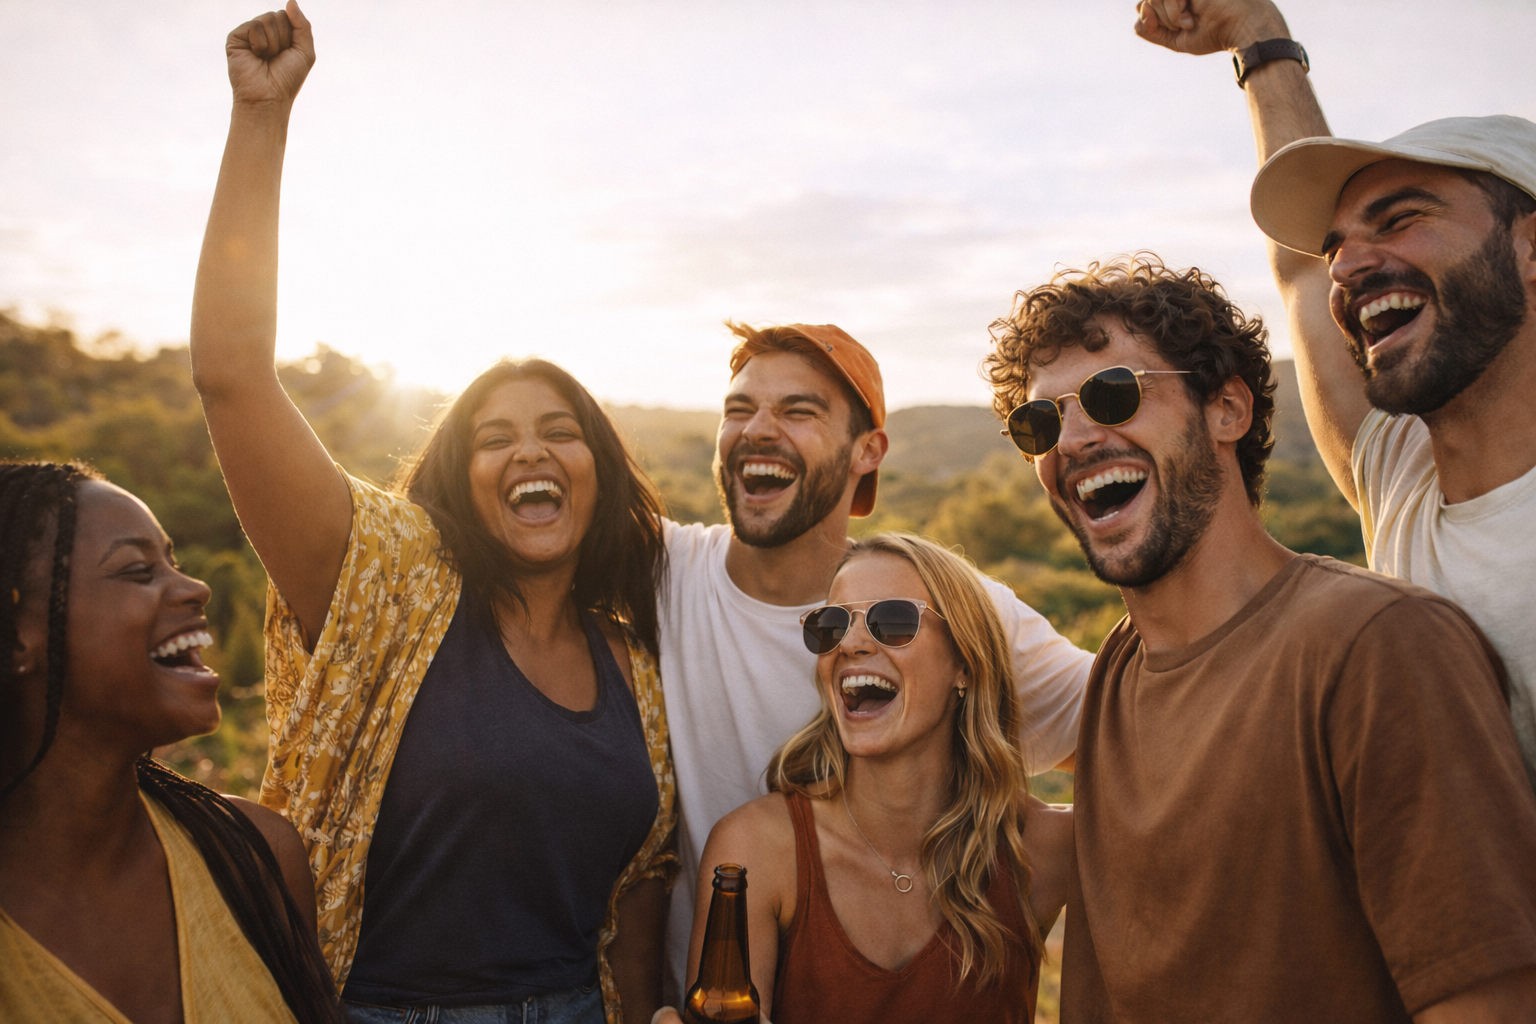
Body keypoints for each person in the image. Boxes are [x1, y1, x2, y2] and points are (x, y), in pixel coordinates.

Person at [190, 7, 676, 1023]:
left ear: (600, 469)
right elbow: (232, 378)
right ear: (458, 475)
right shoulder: (387, 586)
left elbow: (633, 901)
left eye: (560, 429)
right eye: (494, 436)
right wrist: (261, 118)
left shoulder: (634, 659)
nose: (531, 450)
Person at [984, 254, 1536, 1021]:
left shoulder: (1377, 647)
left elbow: (1489, 1003)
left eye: (1112, 397)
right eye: (1040, 422)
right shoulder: (1120, 670)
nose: (1071, 440)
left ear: (1227, 412)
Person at [1135, 0, 1536, 789]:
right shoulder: (1399, 478)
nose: (1349, 265)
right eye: (1340, 244)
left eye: (1400, 219)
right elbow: (1300, 269)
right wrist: (1254, 32)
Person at [655, 322, 1094, 1000]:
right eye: (738, 409)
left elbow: (1149, 728)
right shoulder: (665, 572)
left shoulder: (970, 608)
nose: (756, 429)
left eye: (798, 409)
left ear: (868, 450)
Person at [656, 534, 1071, 1024]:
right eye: (831, 626)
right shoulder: (756, 852)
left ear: (964, 662)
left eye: (893, 621)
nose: (850, 644)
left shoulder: (1044, 848)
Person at [0, 461, 343, 1024]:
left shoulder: (256, 858)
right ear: (17, 637)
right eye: (137, 570)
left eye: (173, 562)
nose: (195, 587)